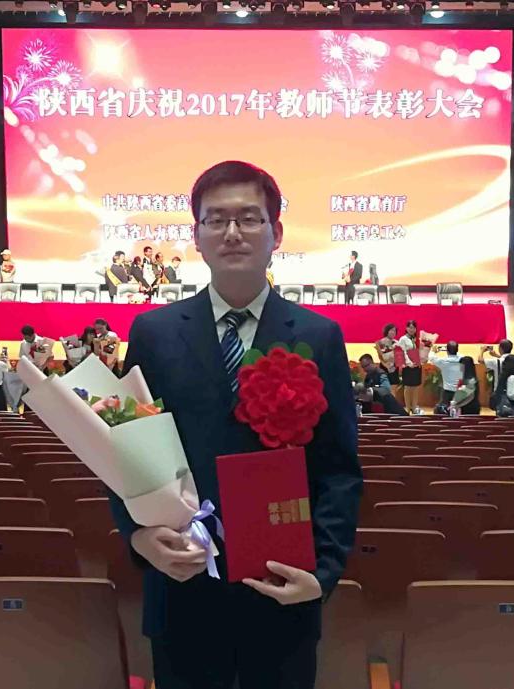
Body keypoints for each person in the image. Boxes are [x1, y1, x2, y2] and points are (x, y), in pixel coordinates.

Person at [109, 160, 360, 689]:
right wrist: (138, 536)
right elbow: (126, 450)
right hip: (183, 583)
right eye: (216, 219)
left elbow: (338, 468)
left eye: (249, 218)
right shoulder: (153, 332)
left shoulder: (319, 336)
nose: (232, 232)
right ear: (196, 236)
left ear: (276, 233)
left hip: (282, 585)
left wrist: (323, 572)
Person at [395, 320, 423, 413]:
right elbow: (402, 352)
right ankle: (407, 408)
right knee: (408, 387)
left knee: (415, 388)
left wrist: (421, 360)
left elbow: (420, 351)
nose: (412, 329)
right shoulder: (403, 339)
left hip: (417, 366)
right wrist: (409, 363)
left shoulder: (416, 339)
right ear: (406, 328)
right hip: (408, 367)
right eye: (410, 327)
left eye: (413, 328)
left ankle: (414, 408)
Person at [480, 338, 513, 409]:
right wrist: (496, 355)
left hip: (499, 391)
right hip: (512, 390)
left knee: (500, 411)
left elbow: (480, 360)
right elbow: (506, 359)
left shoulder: (496, 362)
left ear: (500, 349)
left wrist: (482, 350)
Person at [374, 323, 402, 405]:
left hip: (394, 368)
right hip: (384, 368)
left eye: (394, 331)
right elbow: (380, 357)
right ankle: (385, 406)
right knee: (385, 388)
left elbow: (399, 357)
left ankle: (393, 406)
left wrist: (398, 365)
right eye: (391, 330)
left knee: (393, 389)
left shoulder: (397, 343)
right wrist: (386, 365)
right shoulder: (380, 342)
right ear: (387, 331)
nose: (393, 332)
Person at [430, 341, 464, 408]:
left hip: (447, 392)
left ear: (447, 351)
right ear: (457, 350)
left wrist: (433, 351)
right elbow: (460, 355)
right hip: (460, 392)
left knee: (443, 410)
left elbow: (432, 358)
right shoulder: (463, 360)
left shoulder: (443, 361)